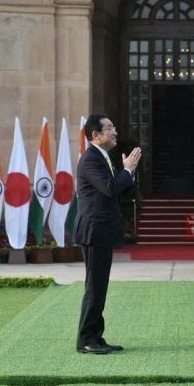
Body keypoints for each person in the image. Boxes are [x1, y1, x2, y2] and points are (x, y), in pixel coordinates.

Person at [74, 114, 141, 354]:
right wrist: (128, 170)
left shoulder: (102, 157)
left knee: (99, 286)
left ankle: (96, 336)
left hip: (101, 231)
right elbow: (110, 188)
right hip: (94, 231)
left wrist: (128, 174)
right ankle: (86, 339)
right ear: (95, 135)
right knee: (94, 286)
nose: (115, 132)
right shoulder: (91, 159)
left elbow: (116, 192)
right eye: (110, 128)